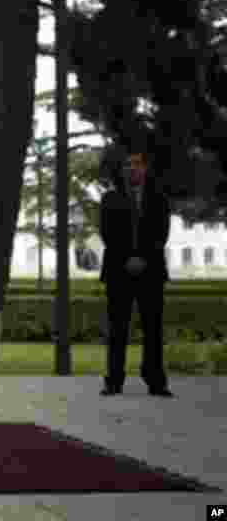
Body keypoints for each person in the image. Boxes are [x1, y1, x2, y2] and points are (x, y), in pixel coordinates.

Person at [99, 143, 172, 397]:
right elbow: (107, 234)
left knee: (153, 328)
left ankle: (156, 381)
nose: (132, 168)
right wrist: (127, 260)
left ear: (146, 168)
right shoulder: (110, 199)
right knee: (117, 328)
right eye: (127, 164)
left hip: (151, 272)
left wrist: (143, 259)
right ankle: (114, 381)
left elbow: (161, 234)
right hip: (118, 272)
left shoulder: (159, 199)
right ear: (122, 170)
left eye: (137, 164)